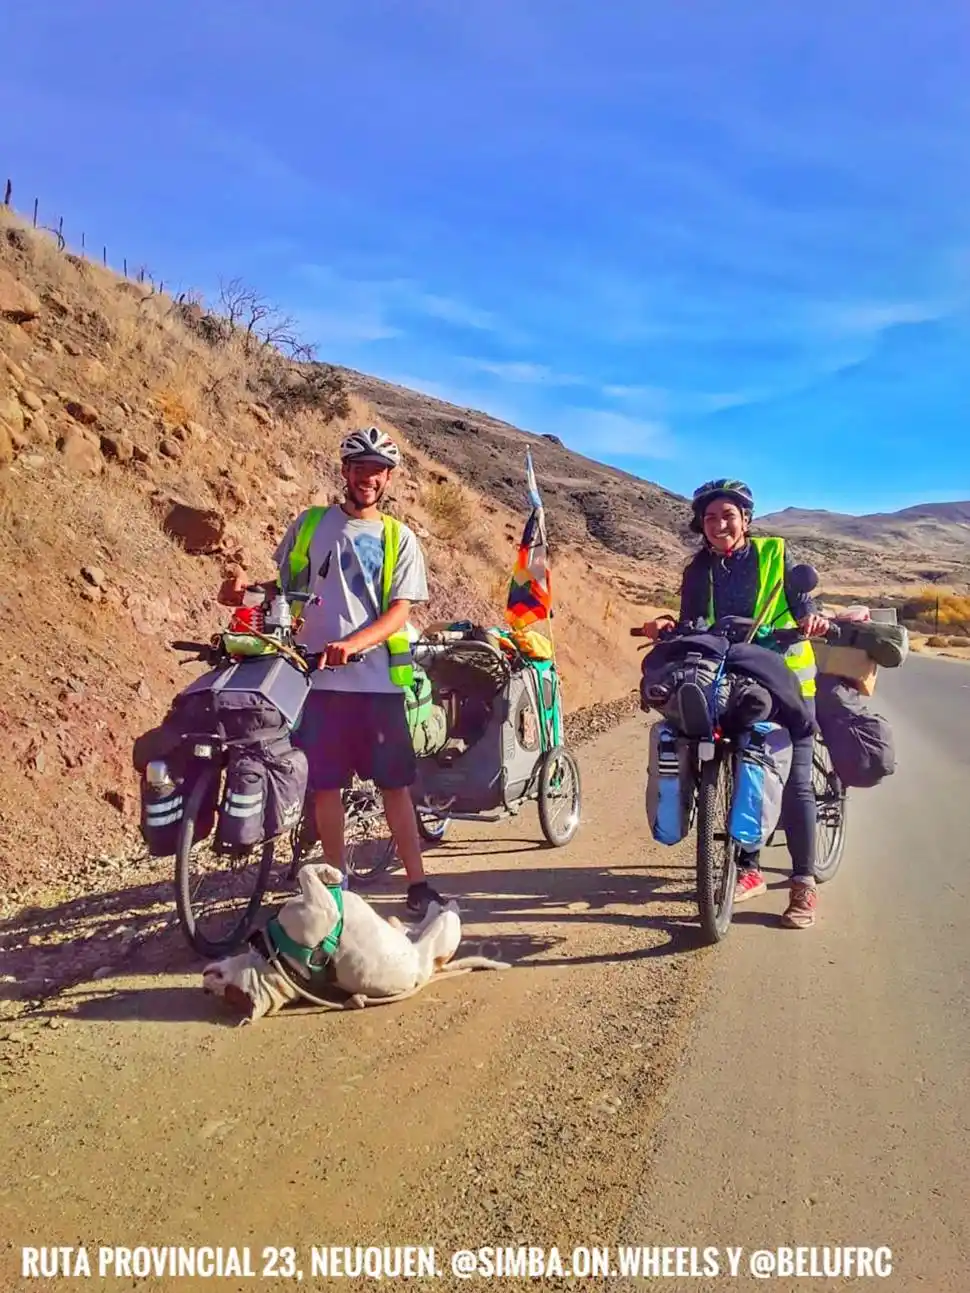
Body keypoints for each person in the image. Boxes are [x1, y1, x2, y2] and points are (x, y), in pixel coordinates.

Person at [218, 426, 445, 917]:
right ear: (345, 471)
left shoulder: (396, 538)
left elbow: (399, 612)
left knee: (394, 785)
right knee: (325, 785)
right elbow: (284, 589)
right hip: (313, 679)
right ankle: (336, 890)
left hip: (377, 682)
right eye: (360, 468)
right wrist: (246, 595)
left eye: (378, 471)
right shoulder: (309, 524)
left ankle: (418, 883)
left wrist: (353, 644)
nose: (368, 478)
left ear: (388, 480)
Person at [641, 478, 829, 929]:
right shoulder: (697, 569)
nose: (719, 524)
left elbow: (801, 603)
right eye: (710, 518)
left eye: (728, 515)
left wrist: (808, 620)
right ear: (700, 525)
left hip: (786, 678)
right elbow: (692, 621)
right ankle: (748, 866)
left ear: (745, 519)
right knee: (731, 747)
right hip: (728, 675)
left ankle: (804, 882)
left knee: (795, 782)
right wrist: (668, 628)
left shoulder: (774, 554)